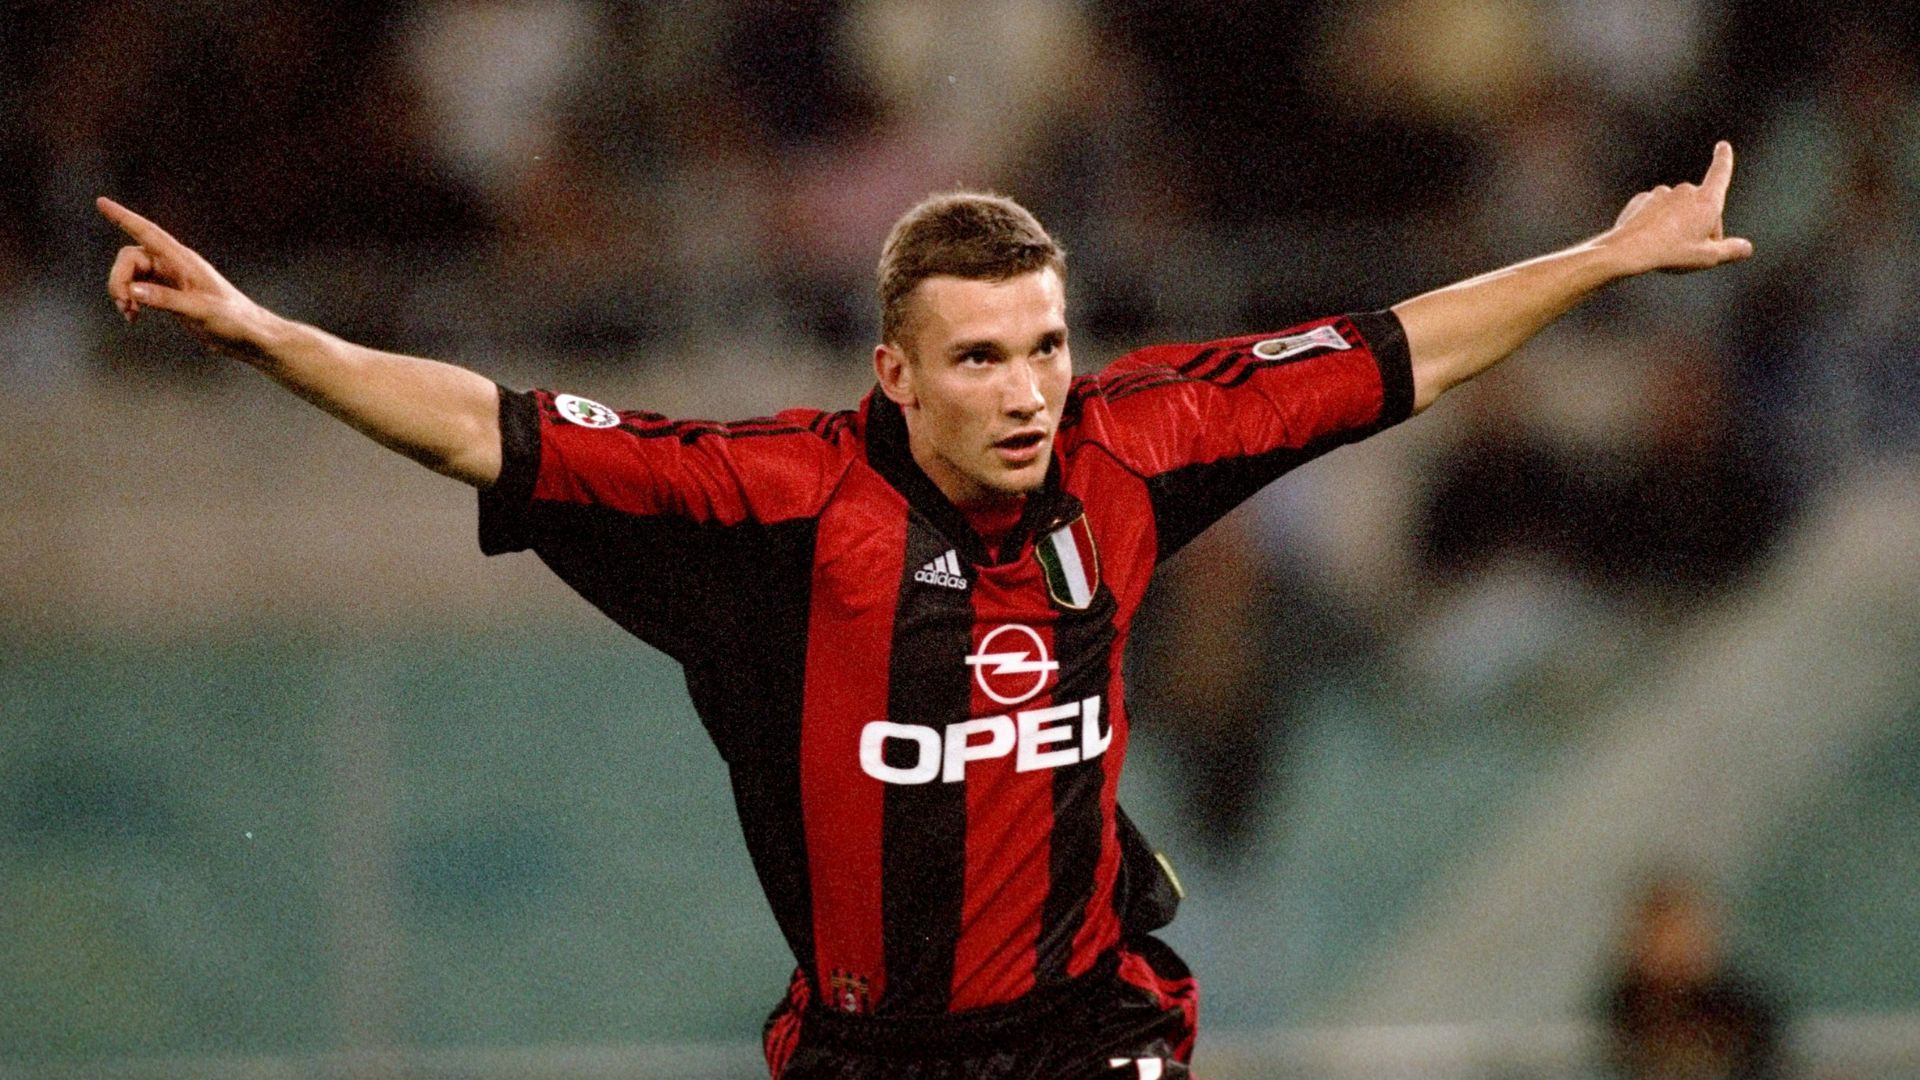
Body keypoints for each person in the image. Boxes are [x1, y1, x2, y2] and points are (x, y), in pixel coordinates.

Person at [99, 141, 1750, 1079]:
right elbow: (486, 423)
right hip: (868, 1056)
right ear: (895, 372)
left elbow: (1394, 353)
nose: (1030, 387)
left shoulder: (1134, 442)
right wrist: (263, 335)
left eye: (1044, 343)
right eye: (982, 355)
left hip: (1092, 1015)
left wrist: (1601, 260)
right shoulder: (783, 503)